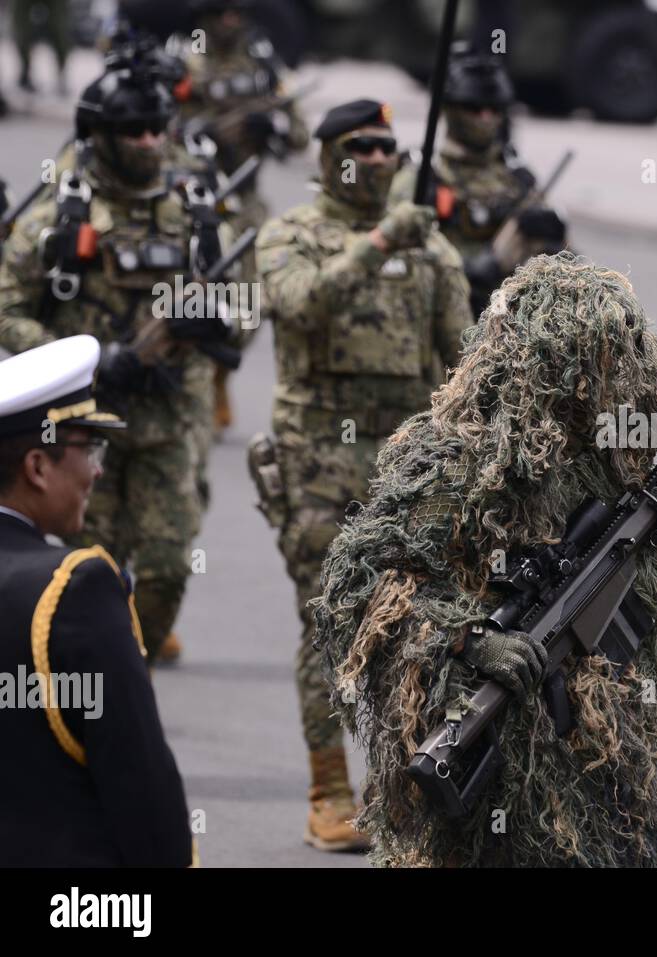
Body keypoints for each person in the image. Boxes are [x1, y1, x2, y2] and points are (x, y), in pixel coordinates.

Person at [313, 253, 657, 867]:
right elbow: (364, 589)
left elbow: (628, 579)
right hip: (513, 753)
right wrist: (469, 641)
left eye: (616, 361)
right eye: (584, 362)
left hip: (613, 750)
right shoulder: (458, 462)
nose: (606, 382)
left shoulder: (621, 458)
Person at [254, 98, 473, 852]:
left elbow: (463, 367)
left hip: (408, 481)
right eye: (360, 146)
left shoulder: (433, 253)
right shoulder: (292, 235)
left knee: (416, 634)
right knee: (327, 629)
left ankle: (400, 791)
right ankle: (328, 790)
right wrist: (379, 242)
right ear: (326, 156)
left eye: (388, 147)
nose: (377, 160)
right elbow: (298, 304)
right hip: (316, 467)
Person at [0, 63, 234, 666]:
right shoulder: (58, 220)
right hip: (82, 427)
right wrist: (98, 358)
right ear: (99, 136)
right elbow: (6, 310)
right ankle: (90, 702)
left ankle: (129, 675)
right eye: (134, 130)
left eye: (159, 128)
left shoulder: (195, 217)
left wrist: (213, 320)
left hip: (168, 421)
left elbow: (244, 310)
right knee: (88, 572)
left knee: (166, 570)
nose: (151, 142)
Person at [0, 335, 192, 867]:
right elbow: (141, 784)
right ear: (38, 467)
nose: (98, 471)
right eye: (89, 450)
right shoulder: (76, 588)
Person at [172, 0, 310, 432]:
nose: (232, 21)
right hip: (193, 203)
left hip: (247, 206)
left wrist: (272, 131)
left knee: (250, 307)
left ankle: (219, 374)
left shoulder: (262, 61)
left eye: (238, 12)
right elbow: (151, 133)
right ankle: (187, 386)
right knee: (184, 303)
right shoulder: (182, 60)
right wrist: (198, 137)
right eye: (222, 12)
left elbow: (300, 136)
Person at [389, 47, 567, 316]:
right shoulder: (422, 178)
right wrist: (476, 269)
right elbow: (395, 267)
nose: (486, 118)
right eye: (474, 109)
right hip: (446, 314)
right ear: (450, 108)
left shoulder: (518, 179)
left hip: (512, 320)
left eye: (494, 109)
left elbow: (565, 266)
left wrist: (557, 241)